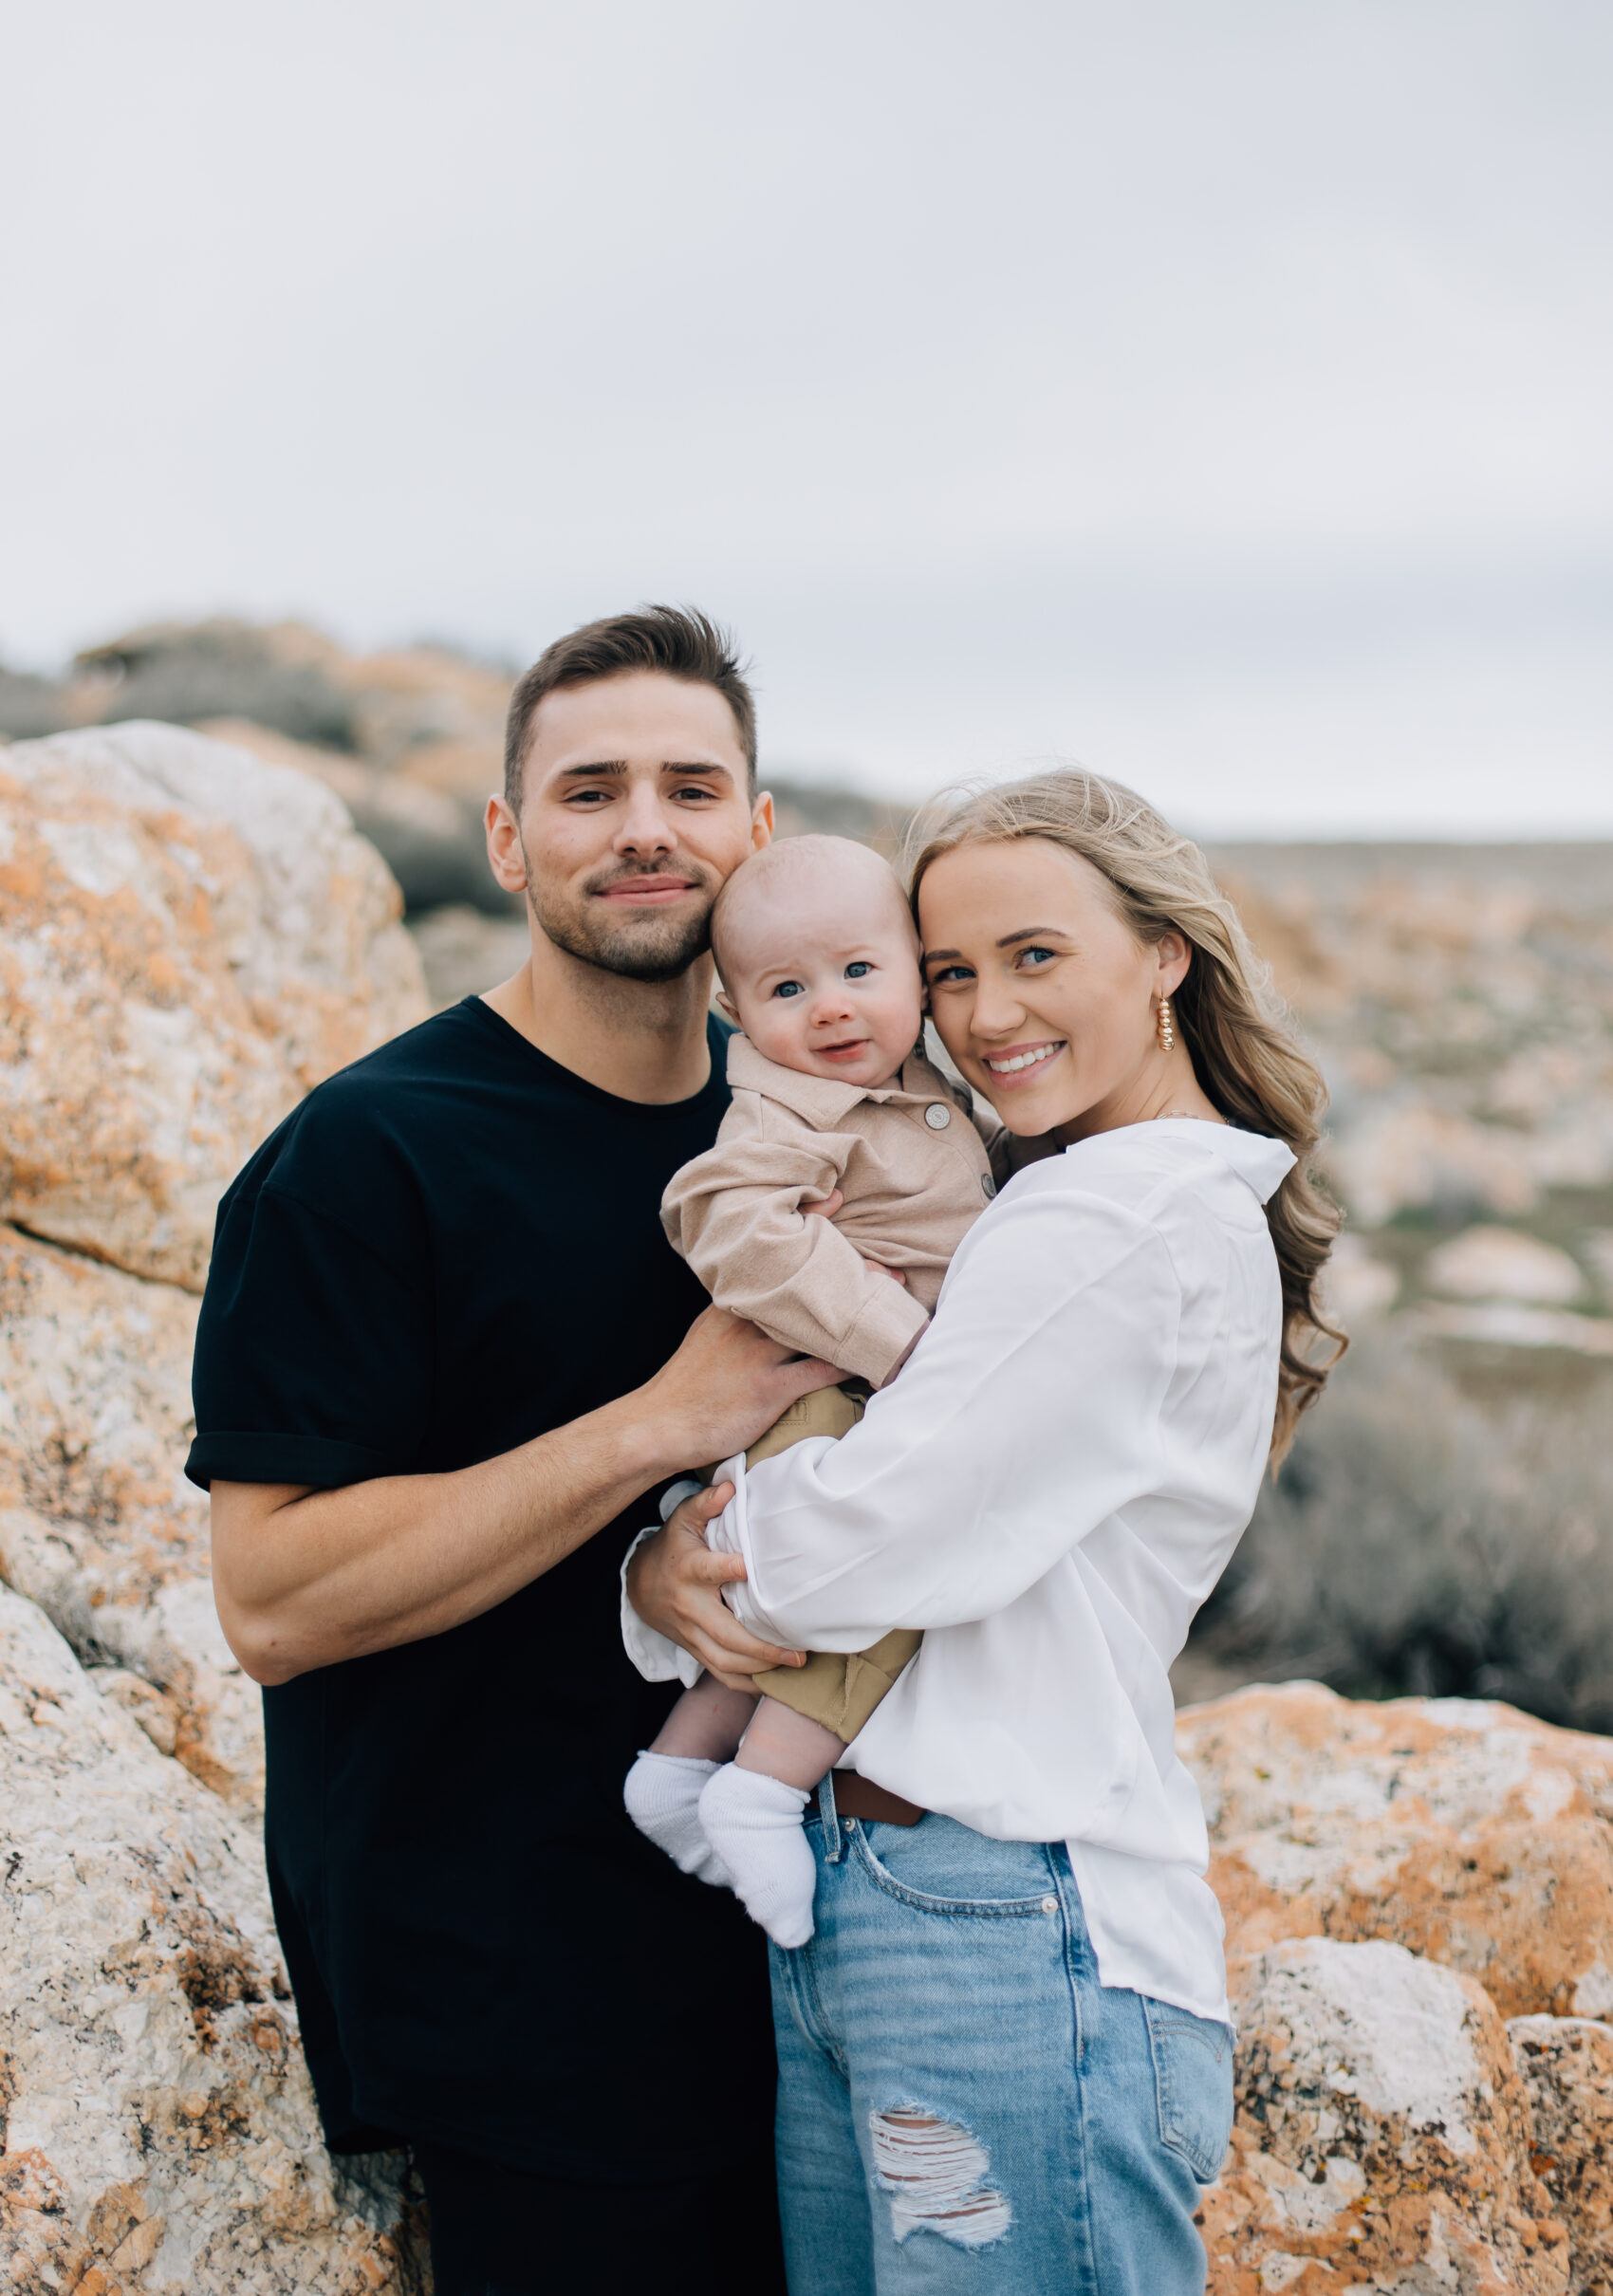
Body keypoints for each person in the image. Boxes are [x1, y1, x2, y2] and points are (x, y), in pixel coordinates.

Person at [626, 768, 1344, 2294]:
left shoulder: (1121, 1219)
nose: (983, 1013)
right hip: (892, 1907)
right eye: (948, 970)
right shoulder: (1054, 1198)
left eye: (1034, 955)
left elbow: (866, 1540)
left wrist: (672, 1558)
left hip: (1012, 1923)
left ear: (1166, 957)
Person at [192, 607, 836, 2296]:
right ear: (506, 838)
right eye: (589, 791)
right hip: (517, 2009)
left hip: (805, 1983)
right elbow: (270, 1597)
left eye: (694, 788)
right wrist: (654, 1430)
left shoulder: (801, 1131)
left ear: (756, 835)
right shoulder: (369, 1155)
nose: (646, 830)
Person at [624, 833, 996, 1947]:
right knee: (885, 1580)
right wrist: (898, 1339)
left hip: (852, 1394)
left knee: (777, 1614)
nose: (829, 1009)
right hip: (827, 1393)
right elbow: (723, 1217)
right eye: (787, 989)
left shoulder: (913, 1078)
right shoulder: (786, 1110)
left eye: (858, 971)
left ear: (913, 971)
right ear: (735, 1008)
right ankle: (762, 1791)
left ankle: (678, 1766)